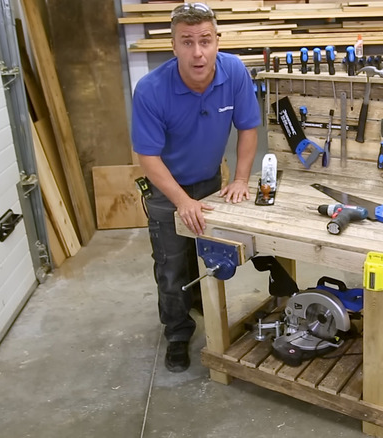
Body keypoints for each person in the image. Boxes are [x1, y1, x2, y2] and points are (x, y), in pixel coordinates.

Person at [131, 2, 260, 372]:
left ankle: (201, 301)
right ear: (173, 47)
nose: (198, 52)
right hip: (165, 189)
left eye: (205, 40)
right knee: (171, 264)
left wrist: (239, 179)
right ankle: (177, 330)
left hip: (209, 182)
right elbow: (149, 158)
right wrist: (181, 201)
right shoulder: (151, 90)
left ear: (217, 41)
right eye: (187, 42)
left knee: (205, 256)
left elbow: (248, 128)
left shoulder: (234, 72)